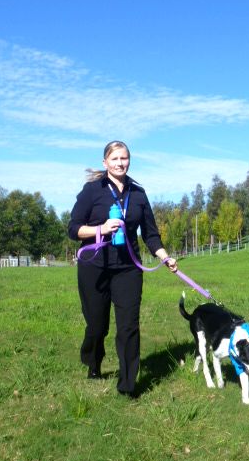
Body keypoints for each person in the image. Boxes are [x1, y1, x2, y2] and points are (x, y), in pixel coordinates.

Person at [68, 141, 178, 397]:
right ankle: (93, 363)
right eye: (115, 158)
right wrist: (101, 229)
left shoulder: (138, 194)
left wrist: (165, 257)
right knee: (97, 326)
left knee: (128, 326)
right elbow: (73, 229)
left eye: (124, 158)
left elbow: (151, 235)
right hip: (94, 267)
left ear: (129, 161)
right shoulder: (92, 191)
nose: (120, 163)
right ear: (105, 162)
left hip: (128, 269)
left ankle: (128, 385)